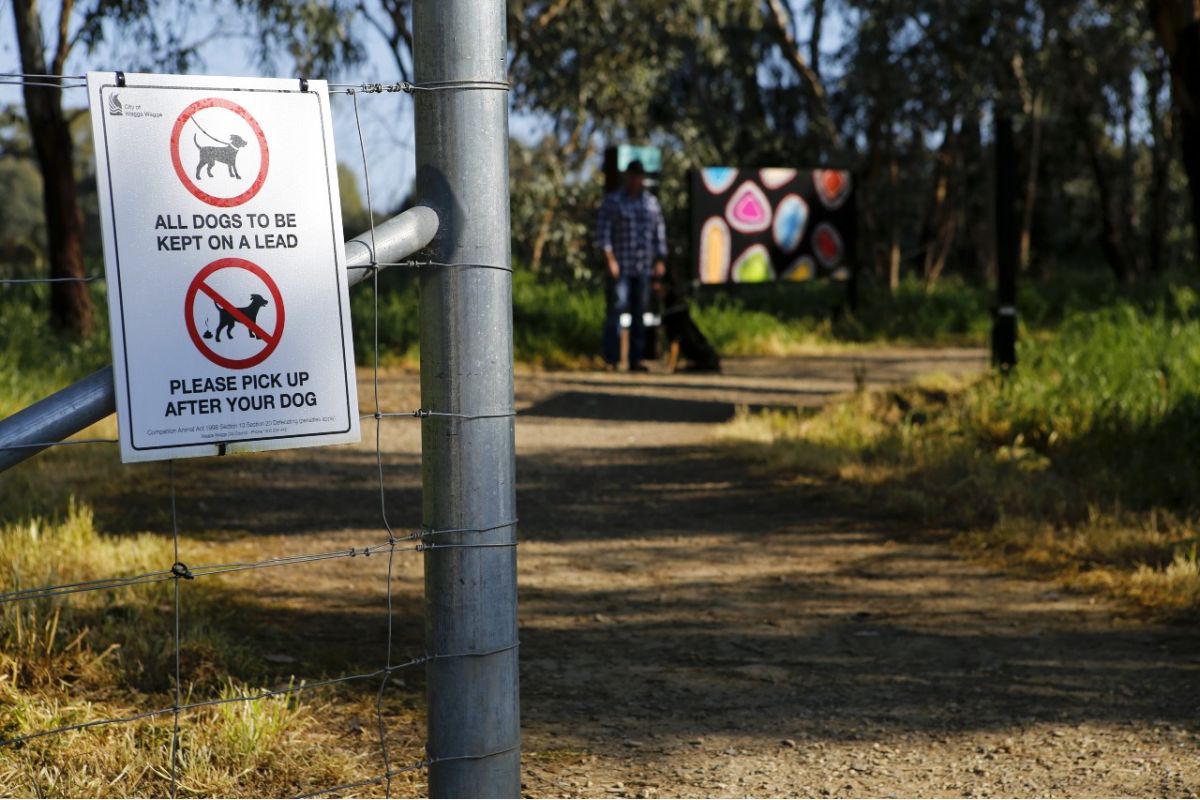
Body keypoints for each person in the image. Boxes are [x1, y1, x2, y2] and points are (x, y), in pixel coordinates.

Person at [595, 160, 667, 371]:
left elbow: (659, 233)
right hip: (621, 268)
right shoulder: (613, 201)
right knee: (616, 310)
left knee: (639, 313)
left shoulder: (651, 203)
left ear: (643, 178)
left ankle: (636, 359)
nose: (636, 179)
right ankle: (612, 359)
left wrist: (660, 260)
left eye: (639, 175)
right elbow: (603, 234)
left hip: (643, 268)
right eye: (632, 175)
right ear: (626, 177)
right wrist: (610, 260)